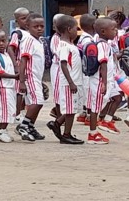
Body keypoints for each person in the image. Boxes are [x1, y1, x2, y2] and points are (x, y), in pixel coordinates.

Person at [46, 16, 85, 144]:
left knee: (72, 108)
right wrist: (71, 82)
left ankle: (56, 123)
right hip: (69, 84)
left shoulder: (70, 45)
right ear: (69, 29)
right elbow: (63, 64)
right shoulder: (63, 46)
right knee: (70, 110)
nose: (77, 31)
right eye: (76, 28)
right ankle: (66, 134)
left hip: (75, 82)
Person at [87, 18, 118, 144]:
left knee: (116, 97)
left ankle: (105, 122)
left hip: (107, 80)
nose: (116, 31)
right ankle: (92, 134)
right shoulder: (103, 45)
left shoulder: (104, 43)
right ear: (103, 32)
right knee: (95, 107)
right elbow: (103, 64)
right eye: (113, 29)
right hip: (100, 80)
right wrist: (104, 83)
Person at [17, 13, 47, 141]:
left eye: (41, 26)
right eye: (36, 26)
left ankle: (30, 126)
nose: (39, 29)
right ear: (28, 26)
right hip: (30, 77)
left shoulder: (39, 41)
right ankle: (23, 126)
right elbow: (23, 60)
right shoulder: (28, 40)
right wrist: (22, 81)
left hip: (36, 77)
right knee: (37, 101)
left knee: (37, 103)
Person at [0, 29, 18, 143]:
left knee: (10, 110)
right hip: (3, 88)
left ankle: (1, 131)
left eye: (3, 41)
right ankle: (2, 130)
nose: (1, 43)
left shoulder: (6, 55)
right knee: (5, 111)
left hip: (10, 87)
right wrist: (15, 77)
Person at [7, 7, 30, 122]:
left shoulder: (30, 32)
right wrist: (15, 65)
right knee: (19, 91)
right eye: (23, 18)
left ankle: (22, 111)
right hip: (20, 64)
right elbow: (10, 48)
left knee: (24, 90)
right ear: (17, 21)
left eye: (28, 18)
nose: (26, 21)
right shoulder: (18, 33)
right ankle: (17, 114)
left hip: (28, 67)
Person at [76, 14, 96, 124]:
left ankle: (84, 113)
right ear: (94, 25)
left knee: (86, 92)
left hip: (84, 70)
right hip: (88, 71)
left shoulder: (83, 37)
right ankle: (89, 116)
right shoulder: (88, 40)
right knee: (89, 92)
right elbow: (90, 58)